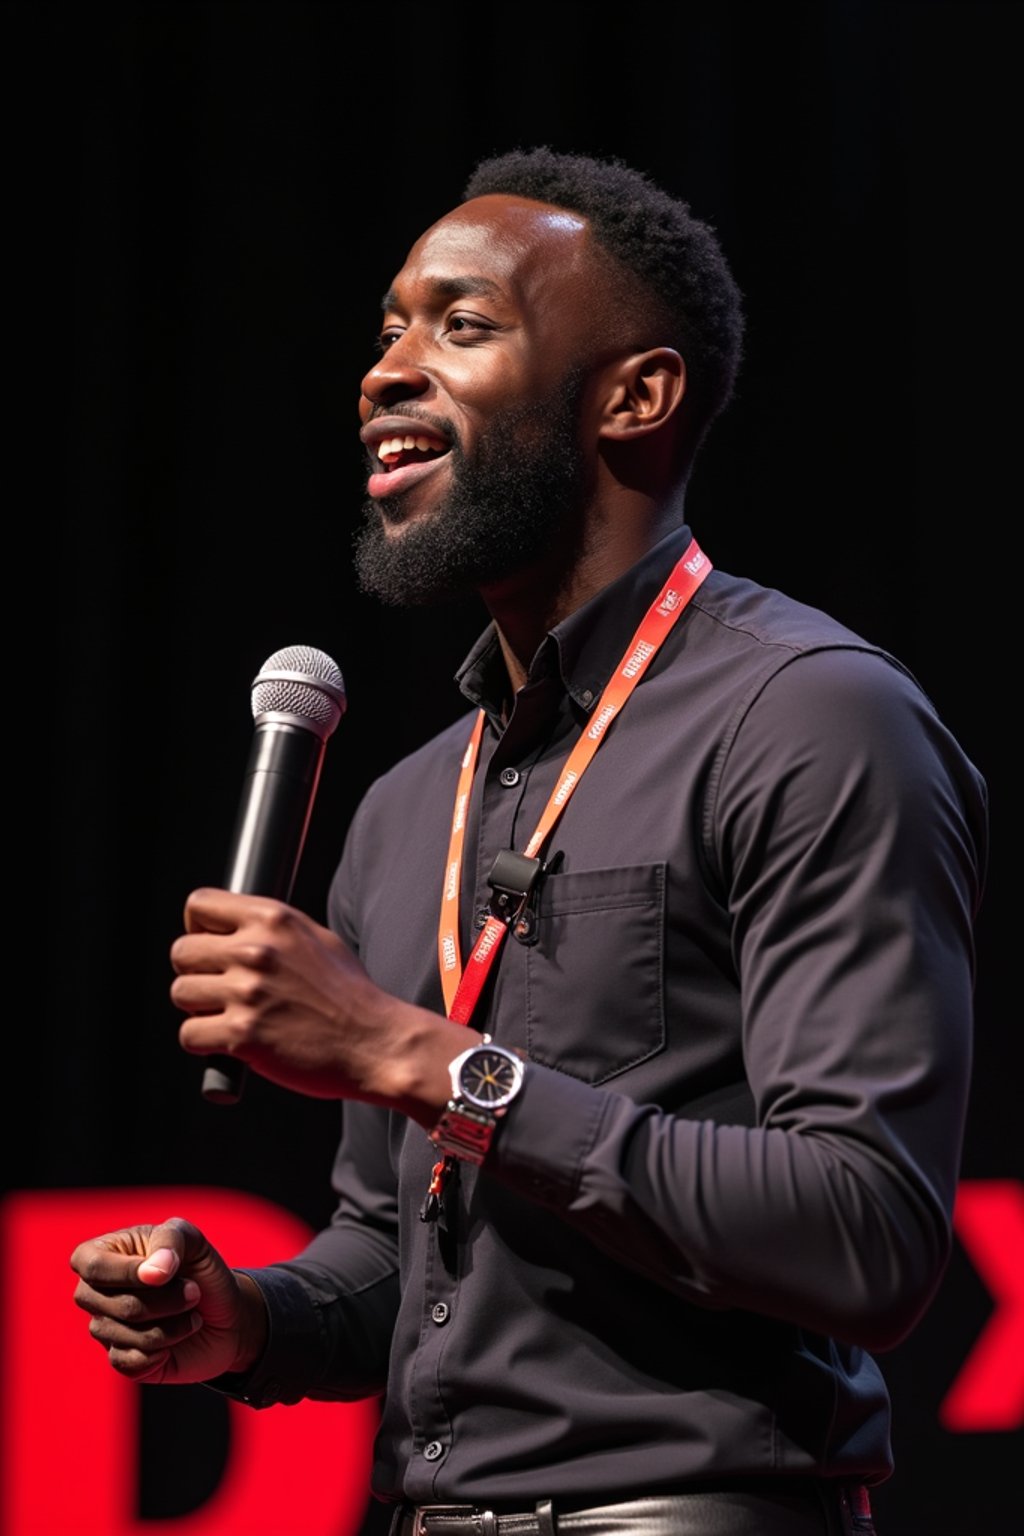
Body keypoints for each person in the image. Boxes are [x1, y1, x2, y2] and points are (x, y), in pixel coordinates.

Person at [69, 147, 988, 1536]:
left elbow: (868, 1233)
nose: (385, 369)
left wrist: (420, 1057)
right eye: (386, 328)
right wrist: (249, 1321)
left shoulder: (810, 718)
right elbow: (399, 1254)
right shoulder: (406, 806)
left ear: (635, 395)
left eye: (461, 322)